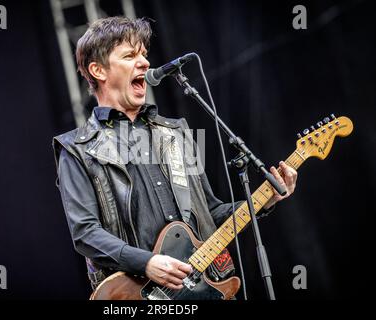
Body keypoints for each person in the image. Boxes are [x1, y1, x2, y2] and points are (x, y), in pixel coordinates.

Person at [52, 16, 297, 295]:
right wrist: (146, 263)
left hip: (201, 289)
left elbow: (210, 213)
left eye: (144, 54)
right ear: (98, 70)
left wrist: (265, 199)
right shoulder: (76, 148)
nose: (144, 62)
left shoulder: (175, 132)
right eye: (130, 55)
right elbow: (85, 233)